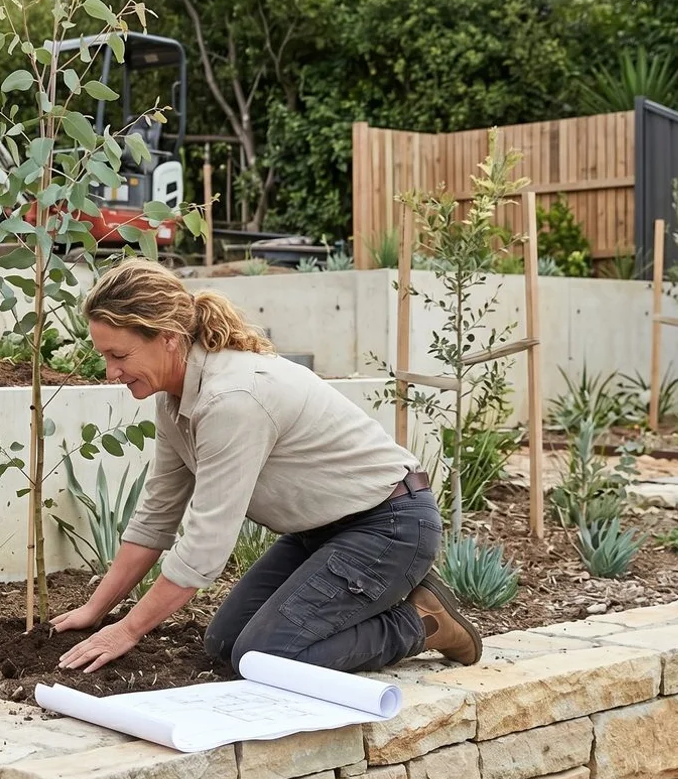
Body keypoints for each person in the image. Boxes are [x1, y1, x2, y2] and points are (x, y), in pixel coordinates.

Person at [51, 258, 481, 675]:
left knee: (265, 657)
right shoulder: (174, 400)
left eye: (119, 355)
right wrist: (95, 611)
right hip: (323, 532)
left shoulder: (233, 399)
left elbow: (204, 547)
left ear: (166, 336)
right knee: (225, 645)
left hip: (388, 527)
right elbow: (156, 517)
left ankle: (422, 623)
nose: (110, 372)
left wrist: (126, 631)